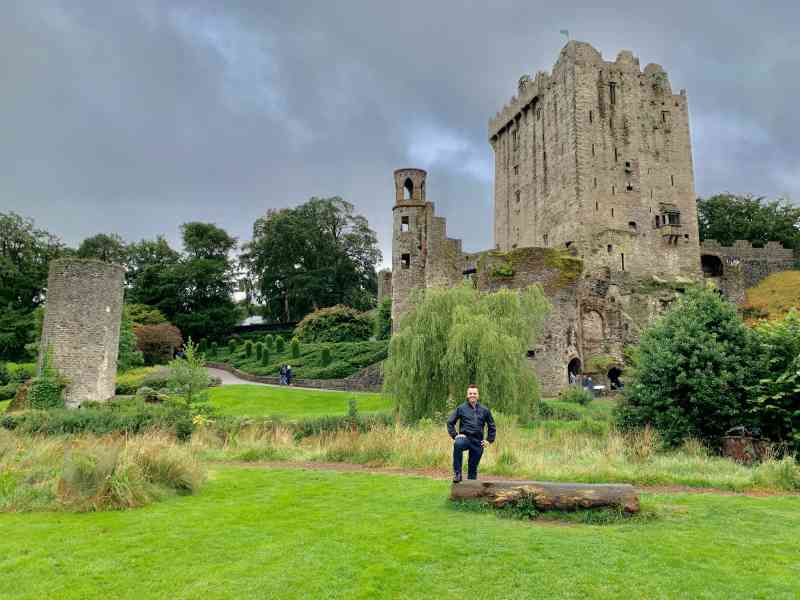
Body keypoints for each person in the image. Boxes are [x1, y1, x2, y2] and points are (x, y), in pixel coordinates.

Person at [446, 384, 496, 483]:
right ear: (467, 395)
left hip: (478, 441)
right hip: (465, 439)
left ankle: (470, 490)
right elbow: (450, 422)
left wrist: (489, 440)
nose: (472, 395)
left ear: (478, 395)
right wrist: (455, 435)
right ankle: (457, 474)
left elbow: (492, 426)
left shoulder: (485, 410)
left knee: (472, 468)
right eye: (470, 393)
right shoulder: (461, 408)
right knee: (458, 444)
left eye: (474, 393)